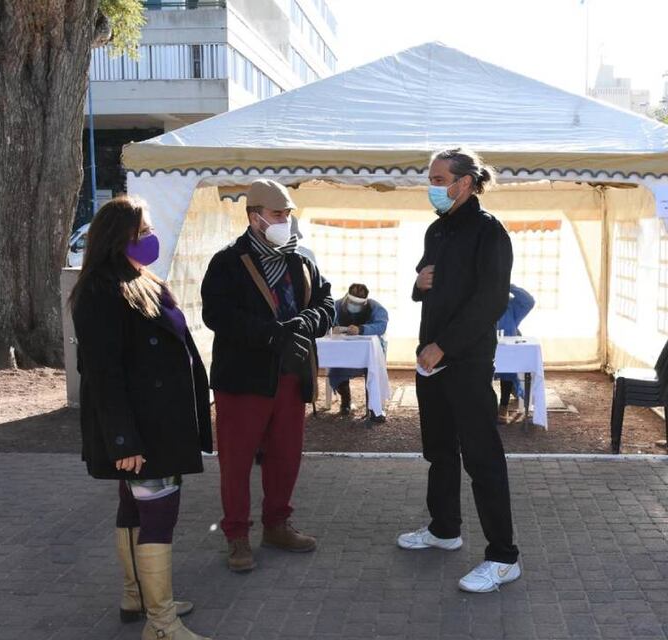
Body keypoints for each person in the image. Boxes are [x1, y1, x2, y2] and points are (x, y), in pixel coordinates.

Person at [70, 196, 213, 640]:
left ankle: (139, 596)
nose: (152, 238)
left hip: (159, 421)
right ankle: (162, 623)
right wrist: (123, 440)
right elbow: (103, 373)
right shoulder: (98, 291)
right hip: (140, 430)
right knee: (158, 517)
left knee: (135, 508)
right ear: (119, 238)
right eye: (144, 231)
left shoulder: (141, 279)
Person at [398, 148, 521, 593]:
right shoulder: (437, 230)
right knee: (439, 452)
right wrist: (417, 284)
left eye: (438, 177)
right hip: (430, 363)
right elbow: (427, 281)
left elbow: (491, 302)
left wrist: (443, 346)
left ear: (464, 182)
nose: (431, 185)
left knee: (482, 458)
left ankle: (504, 557)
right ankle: (444, 529)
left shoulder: (489, 233)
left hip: (465, 362)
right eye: (429, 178)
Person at [201, 178, 334, 573]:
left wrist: (308, 320)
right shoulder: (227, 261)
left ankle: (277, 524)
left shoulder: (301, 259)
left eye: (289, 215)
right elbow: (217, 315)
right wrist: (270, 333)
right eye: (278, 215)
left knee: (285, 457)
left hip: (292, 377)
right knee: (237, 462)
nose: (286, 222)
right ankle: (237, 535)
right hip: (243, 381)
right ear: (254, 217)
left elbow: (326, 303)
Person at [328, 283, 390, 423]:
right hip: (343, 352)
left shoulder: (375, 307)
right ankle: (346, 400)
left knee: (373, 370)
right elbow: (326, 320)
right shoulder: (337, 306)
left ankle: (374, 408)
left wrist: (361, 329)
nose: (354, 305)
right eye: (352, 302)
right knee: (336, 367)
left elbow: (381, 326)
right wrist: (332, 328)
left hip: (369, 353)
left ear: (365, 302)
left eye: (358, 303)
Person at [495, 284, 535, 424]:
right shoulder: (481, 302)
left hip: (507, 349)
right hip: (484, 347)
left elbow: (529, 301)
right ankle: (486, 405)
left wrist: (508, 285)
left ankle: (503, 405)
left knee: (508, 370)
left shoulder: (511, 306)